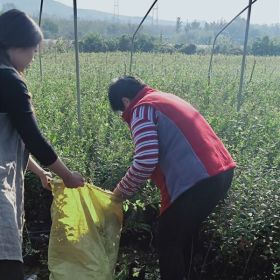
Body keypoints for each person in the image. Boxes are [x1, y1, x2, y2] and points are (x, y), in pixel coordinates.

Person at [108, 76, 236, 280]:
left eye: (122, 113)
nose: (126, 117)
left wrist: (118, 194)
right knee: (183, 236)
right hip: (220, 173)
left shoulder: (141, 109)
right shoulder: (163, 98)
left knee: (168, 239)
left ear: (125, 102)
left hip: (197, 182)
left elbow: (145, 160)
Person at [0, 9, 84, 280]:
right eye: (33, 52)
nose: (33, 59)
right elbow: (33, 138)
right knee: (7, 260)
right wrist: (67, 175)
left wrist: (38, 172)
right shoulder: (9, 80)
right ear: (15, 45)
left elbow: (12, 135)